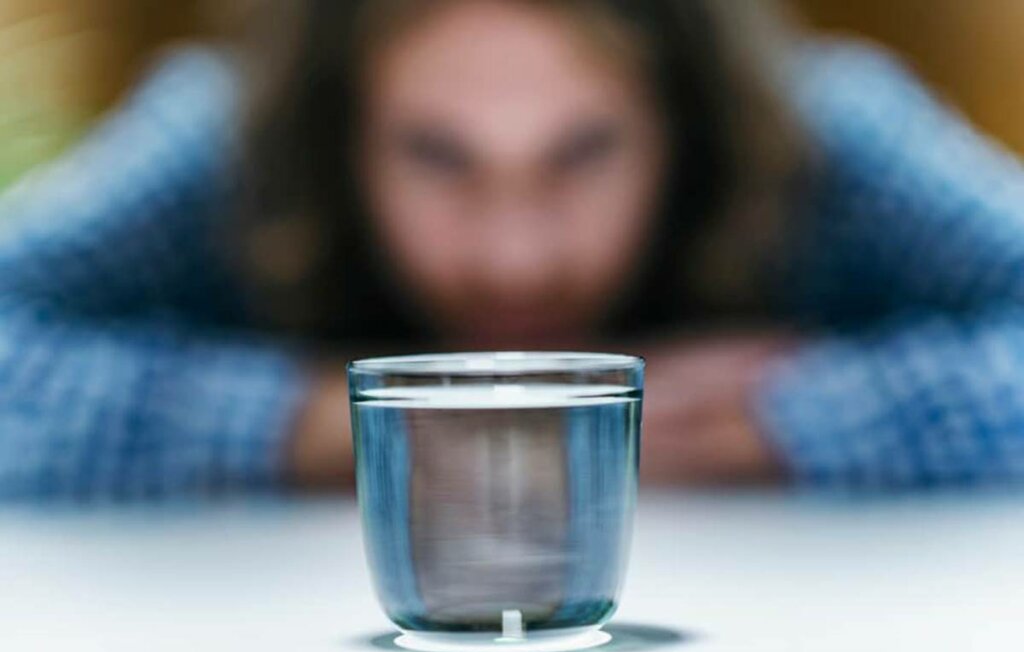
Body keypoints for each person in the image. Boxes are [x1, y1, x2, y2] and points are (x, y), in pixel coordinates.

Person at [1, 0, 1023, 501]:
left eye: (581, 154)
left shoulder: (817, 135)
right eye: (439, 158)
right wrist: (312, 427)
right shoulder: (231, 147)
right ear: (339, 125)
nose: (515, 258)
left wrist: (792, 421)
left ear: (682, 114)